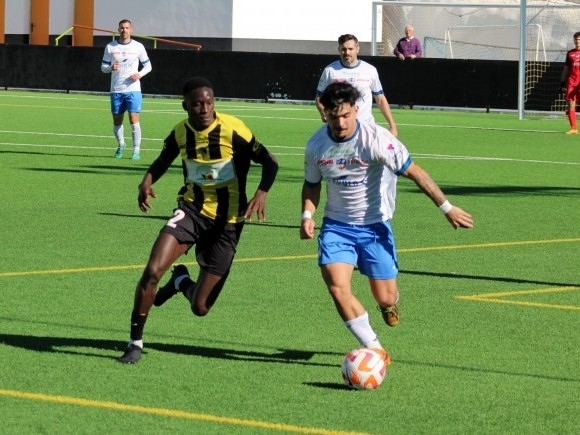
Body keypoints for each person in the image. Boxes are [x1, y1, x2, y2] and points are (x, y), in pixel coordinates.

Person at [300, 82, 473, 365]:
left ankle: (388, 304)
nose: (340, 122)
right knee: (336, 286)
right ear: (325, 113)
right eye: (334, 116)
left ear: (356, 110)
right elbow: (311, 185)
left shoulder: (378, 140)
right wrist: (307, 215)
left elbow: (415, 172)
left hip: (375, 227)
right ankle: (375, 348)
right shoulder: (316, 145)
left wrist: (447, 208)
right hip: (337, 226)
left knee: (385, 296)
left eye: (345, 115)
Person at [118, 77, 279, 364]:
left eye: (209, 102)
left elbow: (270, 161)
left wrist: (261, 193)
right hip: (191, 210)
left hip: (228, 221)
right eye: (197, 104)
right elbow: (163, 159)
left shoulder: (234, 130)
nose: (204, 109)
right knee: (153, 270)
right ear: (186, 106)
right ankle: (135, 342)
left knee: (201, 307)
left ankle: (180, 282)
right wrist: (146, 181)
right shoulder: (181, 133)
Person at [315, 34, 398, 136]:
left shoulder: (370, 70)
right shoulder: (330, 70)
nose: (347, 52)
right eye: (344, 49)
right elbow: (319, 97)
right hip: (341, 129)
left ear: (357, 49)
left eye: (350, 49)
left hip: (366, 127)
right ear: (339, 49)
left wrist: (392, 125)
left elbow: (380, 98)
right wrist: (324, 114)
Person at [101, 19, 152, 160]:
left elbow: (148, 66)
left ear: (131, 30)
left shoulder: (138, 46)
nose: (124, 30)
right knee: (117, 121)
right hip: (116, 89)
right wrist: (110, 68)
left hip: (133, 89)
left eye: (127, 28)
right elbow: (103, 68)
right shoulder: (110, 47)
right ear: (118, 30)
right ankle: (121, 144)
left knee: (133, 118)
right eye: (122, 28)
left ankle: (136, 150)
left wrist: (139, 74)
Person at [560, 31, 580, 135]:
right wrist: (562, 82)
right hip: (572, 82)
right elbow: (566, 68)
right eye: (576, 40)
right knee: (571, 105)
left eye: (579, 40)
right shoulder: (570, 53)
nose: (578, 42)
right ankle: (574, 128)